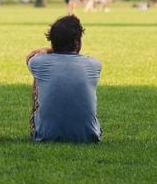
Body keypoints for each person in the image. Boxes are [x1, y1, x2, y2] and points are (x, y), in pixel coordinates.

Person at [25, 15, 101, 143]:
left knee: (38, 78)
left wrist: (48, 50)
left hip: (45, 136)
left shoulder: (38, 63)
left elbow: (30, 57)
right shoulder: (94, 65)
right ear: (77, 42)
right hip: (88, 136)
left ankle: (45, 126)